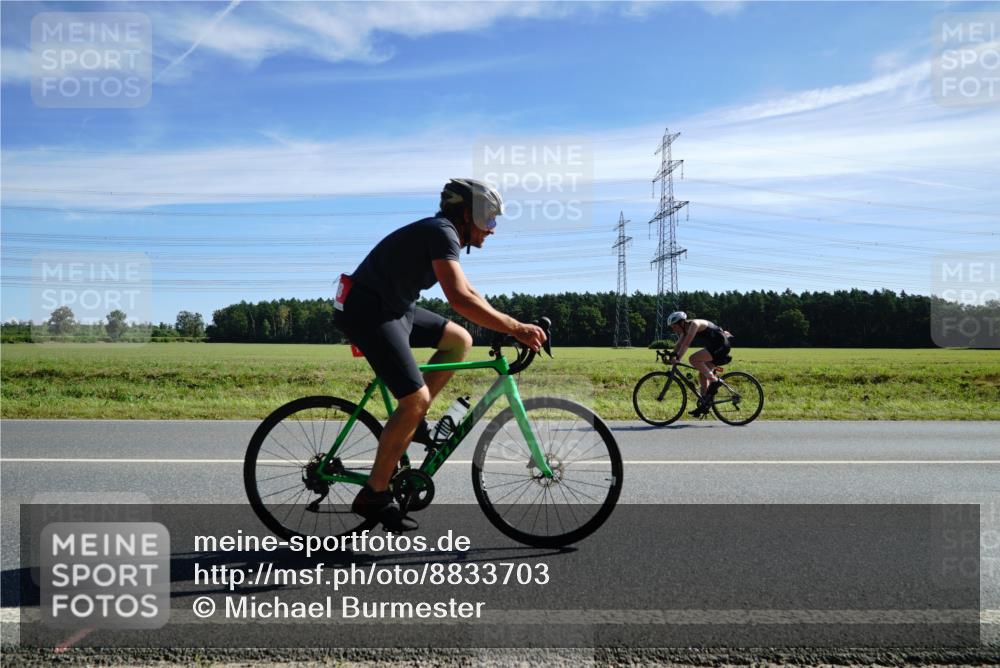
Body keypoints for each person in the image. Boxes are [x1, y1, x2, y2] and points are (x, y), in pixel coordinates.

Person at [333, 178, 547, 531]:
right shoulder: (442, 231)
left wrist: (512, 324)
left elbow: (469, 292)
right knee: (414, 397)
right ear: (467, 214)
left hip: (396, 308)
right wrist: (513, 328)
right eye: (490, 220)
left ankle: (413, 420)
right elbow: (459, 300)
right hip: (368, 310)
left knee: (459, 340)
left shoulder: (445, 234)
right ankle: (374, 493)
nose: (492, 230)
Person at [665, 311, 733, 418]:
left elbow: (686, 343)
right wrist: (672, 355)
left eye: (674, 326)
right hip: (715, 346)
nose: (673, 329)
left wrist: (678, 357)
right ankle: (705, 403)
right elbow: (679, 344)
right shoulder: (684, 330)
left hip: (721, 345)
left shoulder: (694, 325)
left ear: (681, 323)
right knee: (702, 375)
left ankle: (714, 381)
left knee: (693, 359)